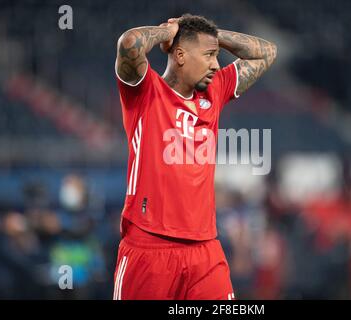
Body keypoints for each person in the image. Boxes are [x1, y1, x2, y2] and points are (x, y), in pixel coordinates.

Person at [113, 13, 276, 300]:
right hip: (150, 247)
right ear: (180, 55)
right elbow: (129, 44)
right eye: (209, 55)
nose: (216, 63)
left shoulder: (214, 91)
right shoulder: (145, 92)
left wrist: (212, 36)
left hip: (205, 250)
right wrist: (168, 32)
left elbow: (267, 53)